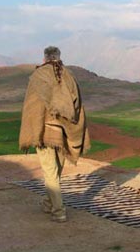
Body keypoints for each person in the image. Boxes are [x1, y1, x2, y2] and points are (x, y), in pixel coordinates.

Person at [19, 46, 90, 223]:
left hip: (44, 132)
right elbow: (77, 105)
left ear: (44, 58)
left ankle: (59, 211)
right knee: (55, 171)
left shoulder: (38, 76)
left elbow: (32, 108)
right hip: (64, 132)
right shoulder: (69, 75)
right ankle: (48, 202)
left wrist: (34, 128)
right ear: (58, 57)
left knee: (50, 172)